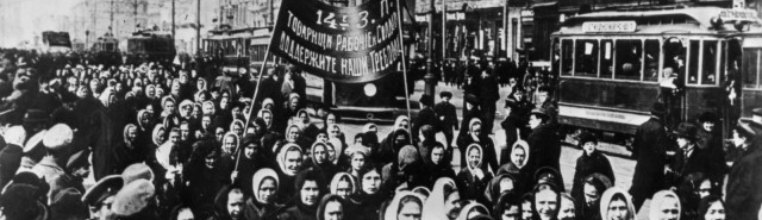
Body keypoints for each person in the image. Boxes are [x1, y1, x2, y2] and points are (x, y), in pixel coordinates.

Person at [630, 102, 670, 210]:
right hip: (654, 172)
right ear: (662, 115)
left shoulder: (642, 127)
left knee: (636, 201)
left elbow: (635, 152)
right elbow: (661, 152)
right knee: (660, 200)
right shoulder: (660, 129)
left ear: (651, 113)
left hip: (641, 170)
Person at [726, 121, 762, 220]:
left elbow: (746, 186)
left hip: (741, 210)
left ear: (743, 138)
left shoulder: (750, 159)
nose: (733, 139)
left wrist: (733, 204)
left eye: (735, 135)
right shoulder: (746, 154)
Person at [571, 132, 614, 203]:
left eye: (592, 144)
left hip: (596, 192)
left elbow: (610, 178)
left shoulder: (602, 159)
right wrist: (574, 194)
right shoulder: (580, 160)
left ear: (595, 146)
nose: (590, 146)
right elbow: (577, 178)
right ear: (583, 146)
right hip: (582, 192)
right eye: (587, 144)